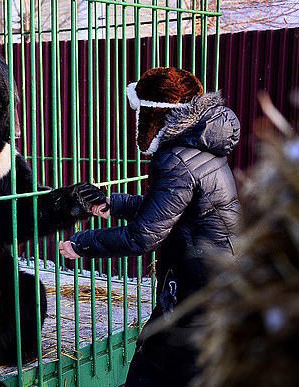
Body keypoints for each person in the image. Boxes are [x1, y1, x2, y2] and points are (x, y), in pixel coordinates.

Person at [58, 67, 241, 387]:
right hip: (212, 282)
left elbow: (144, 236)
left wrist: (82, 243)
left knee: (153, 372)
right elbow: (172, 211)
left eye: (140, 110)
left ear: (155, 114)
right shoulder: (198, 146)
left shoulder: (176, 158)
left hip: (197, 292)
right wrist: (113, 204)